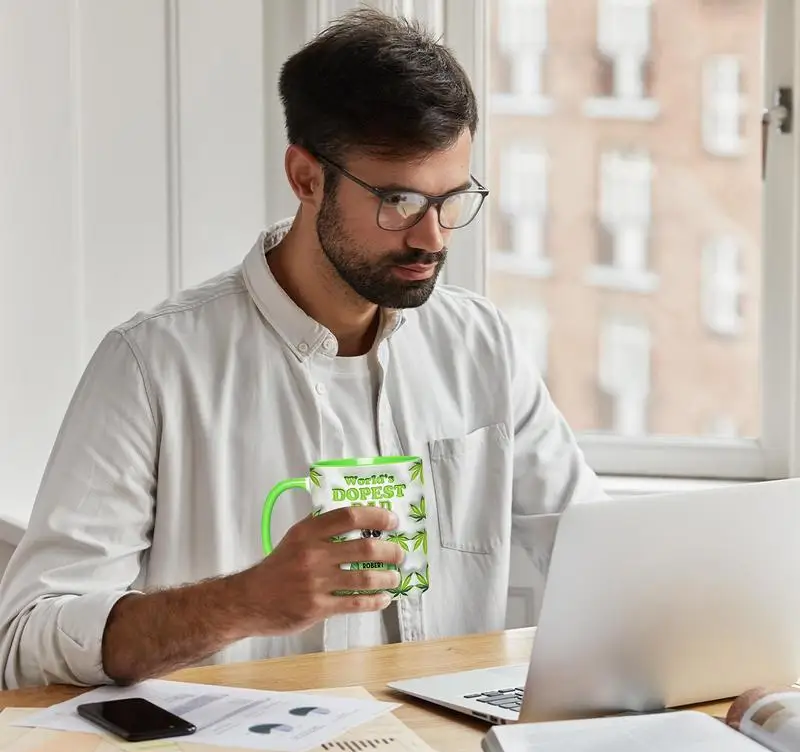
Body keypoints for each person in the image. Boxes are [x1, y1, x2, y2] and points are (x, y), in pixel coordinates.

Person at [0, 8, 605, 690]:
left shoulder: (481, 346)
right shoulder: (152, 367)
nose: (433, 238)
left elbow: (602, 556)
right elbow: (27, 638)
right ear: (306, 177)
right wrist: (244, 601)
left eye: (452, 200)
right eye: (400, 201)